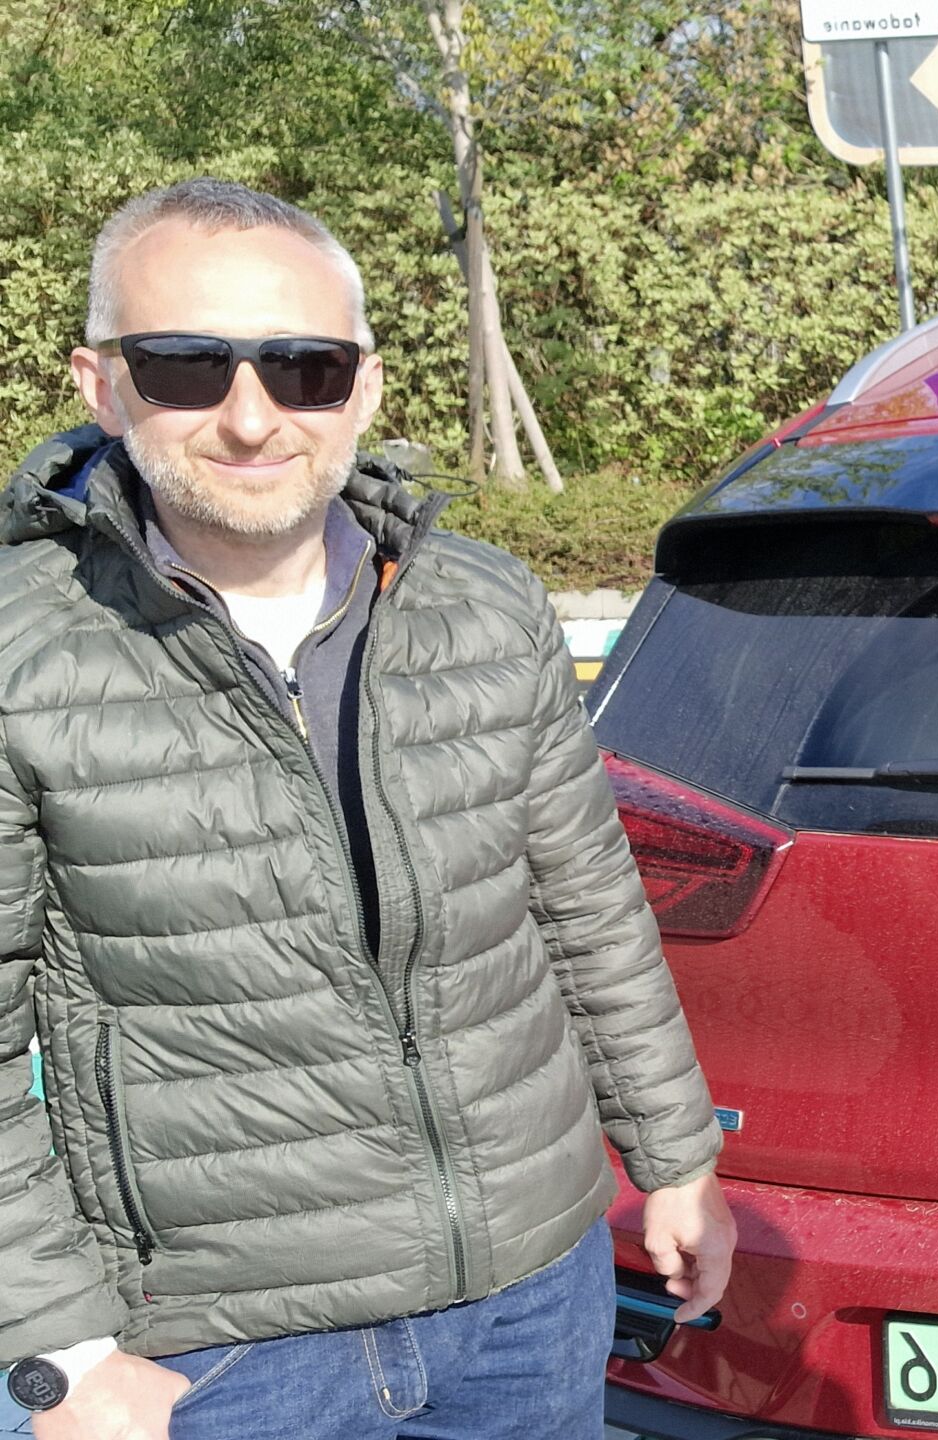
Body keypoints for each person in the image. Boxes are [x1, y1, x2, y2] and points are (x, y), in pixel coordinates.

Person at [0, 179, 732, 1440]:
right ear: (102, 384)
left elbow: (586, 912)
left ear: (365, 388)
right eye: (185, 367)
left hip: (526, 1298)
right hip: (217, 1351)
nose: (250, 418)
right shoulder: (23, 654)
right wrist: (56, 1350)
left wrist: (676, 1160)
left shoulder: (485, 608)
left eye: (304, 368)